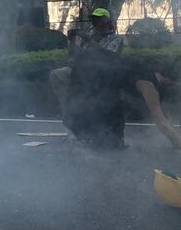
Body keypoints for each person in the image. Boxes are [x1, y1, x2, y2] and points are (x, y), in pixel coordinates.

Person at [49, 8, 181, 148]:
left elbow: (108, 57)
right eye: (94, 19)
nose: (95, 21)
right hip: (96, 75)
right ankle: (81, 126)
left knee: (156, 115)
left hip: (103, 76)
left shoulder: (117, 43)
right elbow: (77, 56)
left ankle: (99, 133)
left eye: (99, 18)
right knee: (61, 77)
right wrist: (72, 40)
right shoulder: (141, 78)